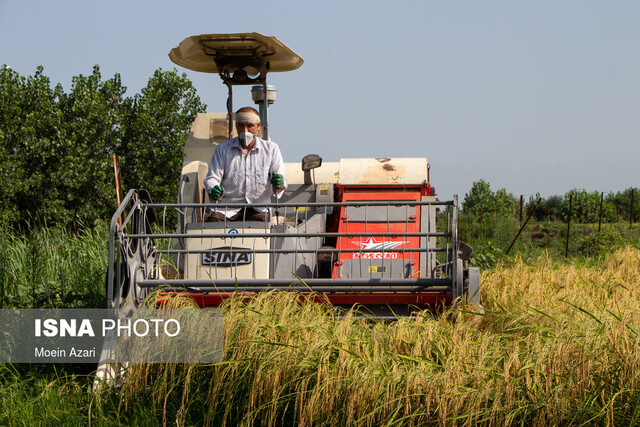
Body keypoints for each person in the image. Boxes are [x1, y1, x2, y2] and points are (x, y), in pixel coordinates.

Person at [203, 106, 287, 222]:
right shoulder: (223, 149)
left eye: (250, 125)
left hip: (258, 209)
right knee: (213, 223)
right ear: (236, 126)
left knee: (262, 228)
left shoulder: (271, 149)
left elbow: (281, 180)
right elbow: (212, 178)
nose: (245, 130)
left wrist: (279, 183)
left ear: (258, 126)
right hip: (227, 209)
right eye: (241, 125)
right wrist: (213, 189)